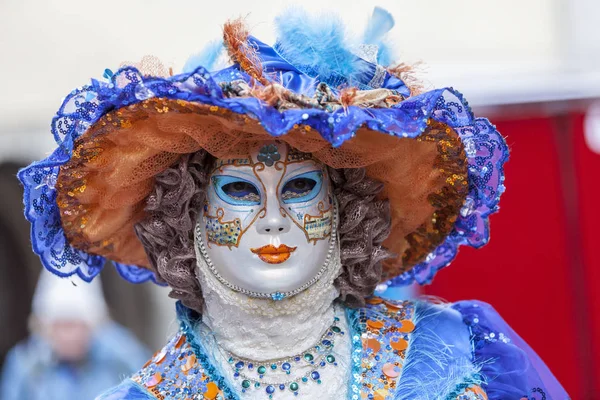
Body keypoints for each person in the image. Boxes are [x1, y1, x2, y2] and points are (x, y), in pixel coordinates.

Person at [18, 8, 568, 400]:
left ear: (343, 209)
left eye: (302, 187)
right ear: (187, 219)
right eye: (238, 192)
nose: (275, 220)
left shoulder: (458, 351)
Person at [0, 270, 149, 400]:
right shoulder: (27, 365)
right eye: (61, 326)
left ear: (92, 327)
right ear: (46, 329)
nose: (69, 336)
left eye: (76, 325)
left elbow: (148, 379)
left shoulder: (114, 358)